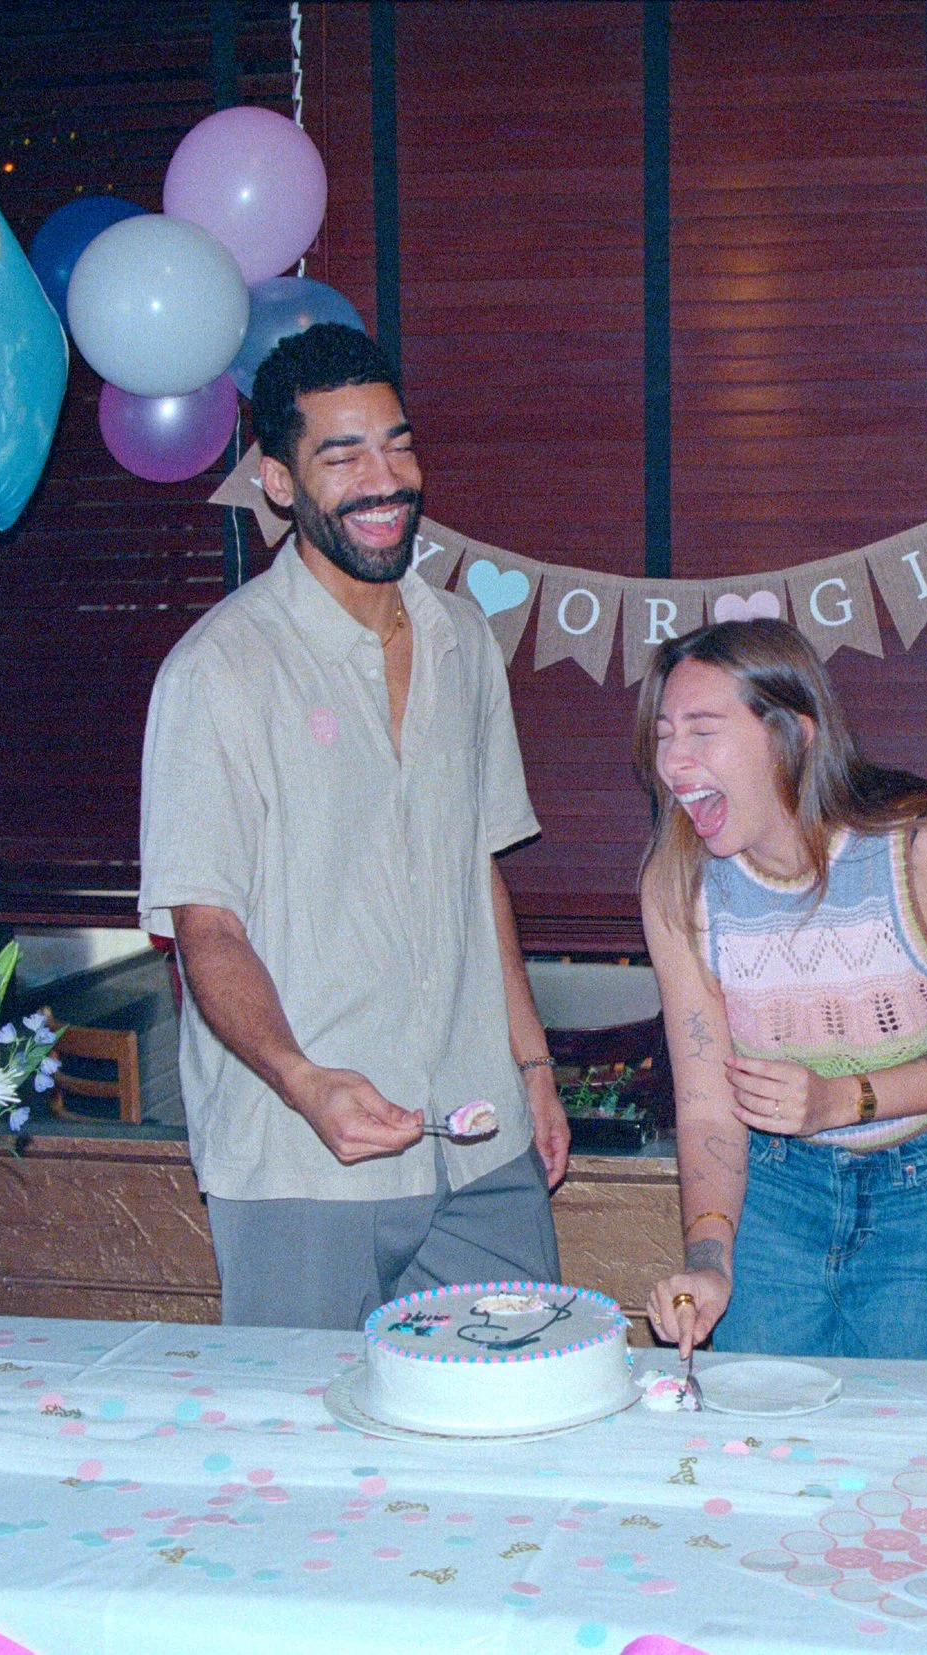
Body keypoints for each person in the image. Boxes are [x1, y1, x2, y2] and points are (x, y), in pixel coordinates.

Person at [137, 323, 569, 1331]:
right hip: (302, 1155)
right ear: (279, 481)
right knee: (304, 1463)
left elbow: (479, 872)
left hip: (480, 1137)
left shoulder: (463, 637)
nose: (383, 479)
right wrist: (302, 1081)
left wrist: (533, 1068)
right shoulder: (219, 671)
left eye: (396, 443)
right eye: (342, 454)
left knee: (512, 1429)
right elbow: (207, 929)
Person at [636, 618, 927, 1361]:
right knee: (762, 1432)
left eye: (702, 730)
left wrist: (839, 1099)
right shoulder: (676, 883)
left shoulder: (920, 844)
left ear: (793, 732)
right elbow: (706, 1102)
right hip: (779, 1186)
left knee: (907, 1447)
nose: (673, 762)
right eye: (663, 734)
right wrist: (711, 1261)